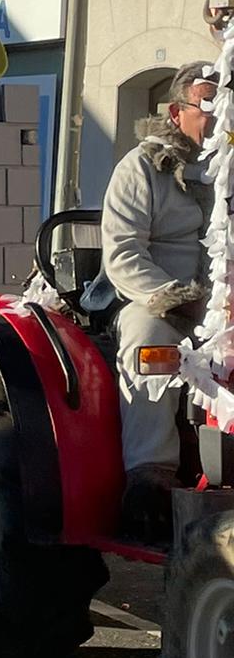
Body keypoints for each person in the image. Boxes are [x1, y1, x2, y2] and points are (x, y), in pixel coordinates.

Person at [101, 61, 215, 540]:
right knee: (150, 346)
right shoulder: (141, 167)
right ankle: (151, 477)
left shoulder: (224, 170)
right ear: (176, 111)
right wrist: (175, 299)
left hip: (220, 303)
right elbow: (123, 253)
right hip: (156, 299)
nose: (221, 115)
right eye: (209, 104)